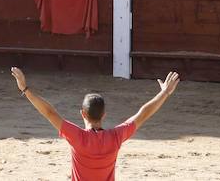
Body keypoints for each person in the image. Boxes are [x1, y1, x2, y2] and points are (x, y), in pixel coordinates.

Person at [11, 66, 179, 179]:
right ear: (104, 115)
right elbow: (143, 114)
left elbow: (49, 113)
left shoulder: (77, 137)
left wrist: (25, 89)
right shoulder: (115, 137)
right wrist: (164, 93)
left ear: (82, 114)